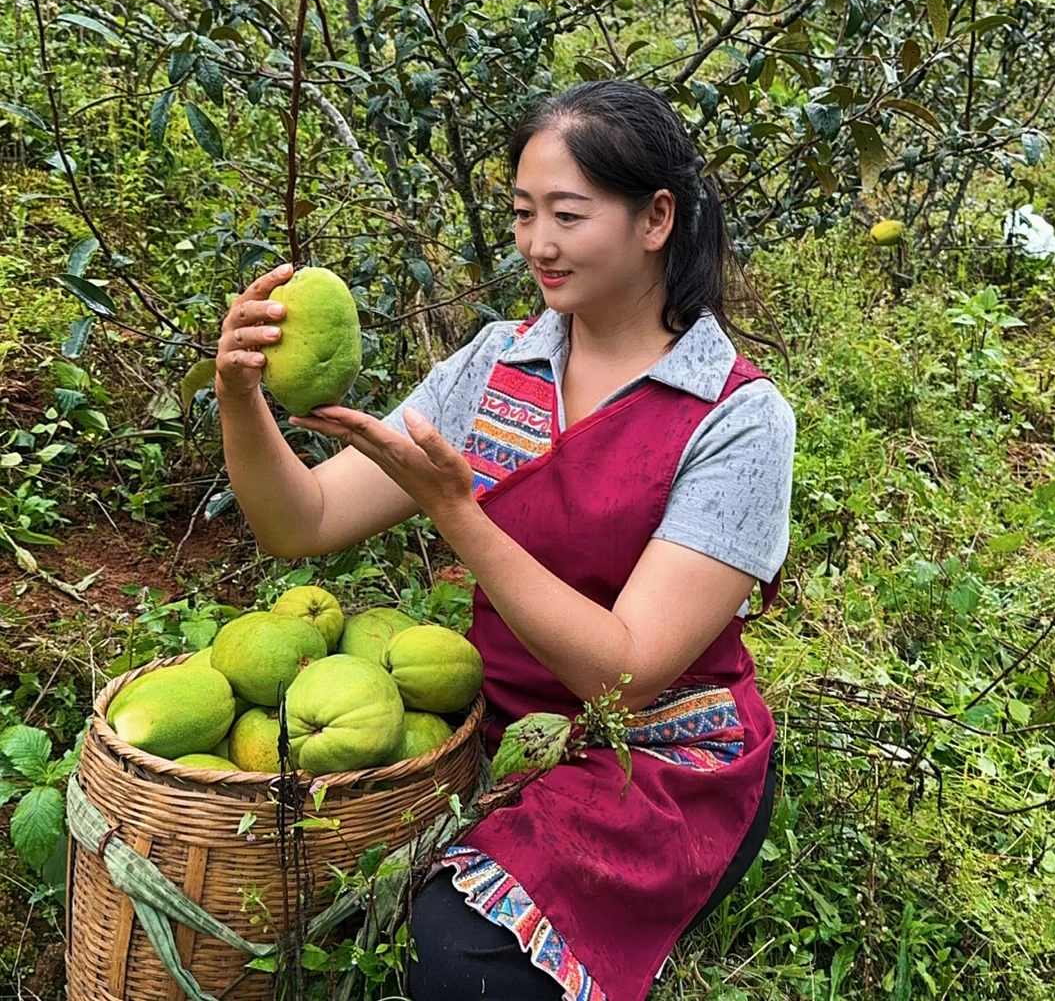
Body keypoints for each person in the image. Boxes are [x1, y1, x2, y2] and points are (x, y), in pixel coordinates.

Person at [215, 79, 795, 1001]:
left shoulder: (735, 417)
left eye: (568, 214)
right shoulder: (496, 363)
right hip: (495, 731)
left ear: (656, 219)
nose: (538, 245)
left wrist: (459, 516)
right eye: (524, 213)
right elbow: (303, 521)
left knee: (452, 958)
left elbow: (629, 670)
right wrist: (240, 395)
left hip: (654, 754)